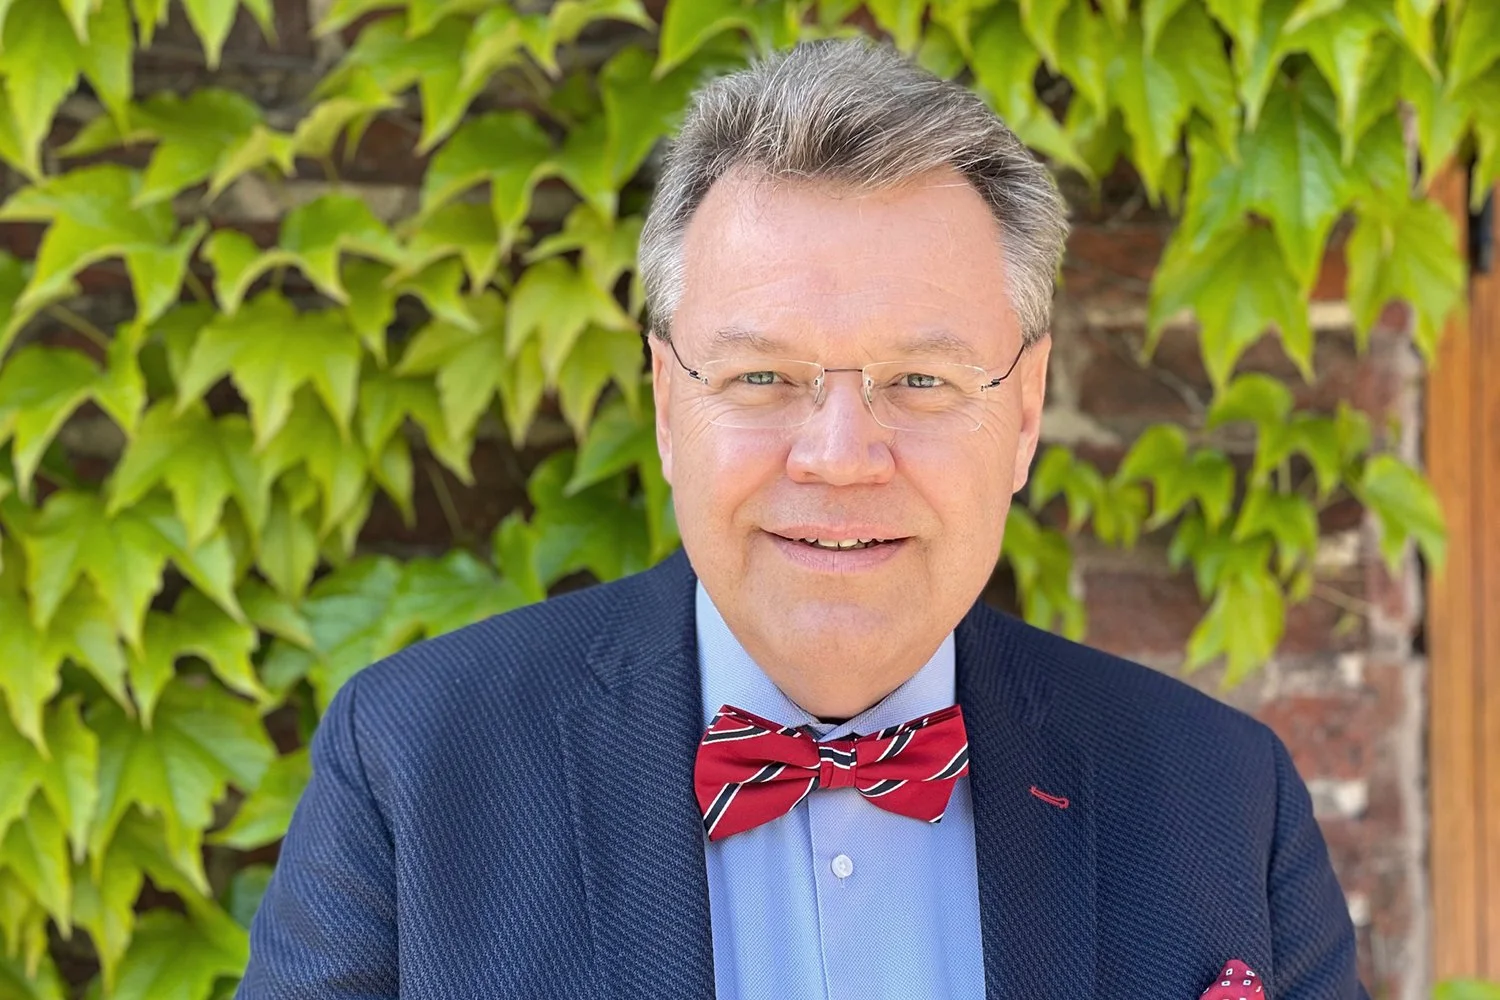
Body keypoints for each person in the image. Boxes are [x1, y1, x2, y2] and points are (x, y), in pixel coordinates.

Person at [238, 39, 1370, 1000]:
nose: (838, 458)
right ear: (668, 402)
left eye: (921, 382)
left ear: (1023, 411)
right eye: (764, 378)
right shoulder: (413, 768)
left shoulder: (1226, 802)